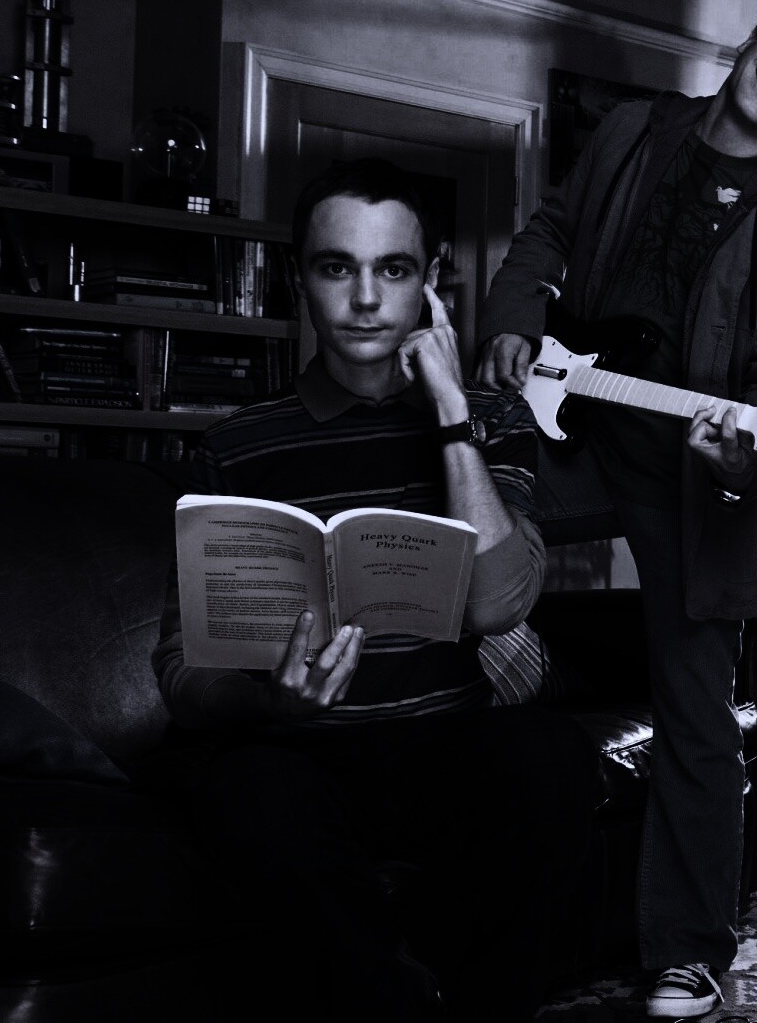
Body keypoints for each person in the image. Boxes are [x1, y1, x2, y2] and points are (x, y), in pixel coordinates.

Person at [474, 0, 757, 1020]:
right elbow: (550, 233)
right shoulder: (630, 130)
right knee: (455, 540)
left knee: (699, 708)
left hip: (690, 472)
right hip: (573, 417)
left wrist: (744, 457)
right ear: (754, 40)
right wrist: (515, 318)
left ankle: (690, 955)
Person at [151, 157, 601, 1022]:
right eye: (337, 267)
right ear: (299, 279)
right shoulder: (235, 448)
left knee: (552, 758)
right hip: (302, 757)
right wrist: (271, 704)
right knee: (245, 792)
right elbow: (179, 670)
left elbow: (497, 605)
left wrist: (451, 416)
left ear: (431, 282)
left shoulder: (494, 421)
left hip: (444, 747)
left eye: (392, 269)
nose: (365, 300)